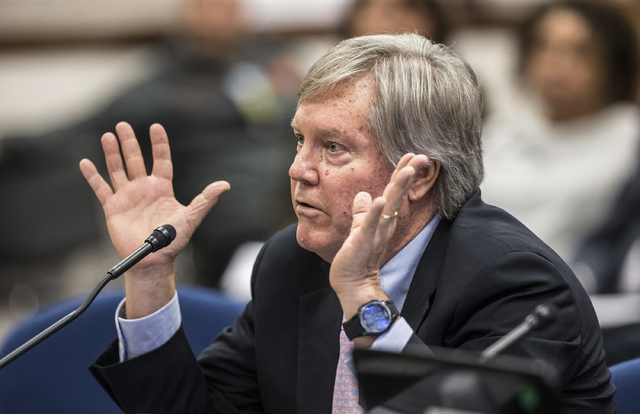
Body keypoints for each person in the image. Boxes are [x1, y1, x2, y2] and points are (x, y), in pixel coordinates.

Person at [83, 33, 615, 413]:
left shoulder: (513, 281)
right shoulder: (292, 261)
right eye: (300, 139)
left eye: (333, 147)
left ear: (418, 176)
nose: (298, 169)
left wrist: (364, 300)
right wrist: (149, 277)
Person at [480, 0, 640, 272]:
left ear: (612, 63)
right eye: (543, 46)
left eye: (579, 51)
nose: (556, 64)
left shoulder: (629, 140)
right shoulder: (497, 135)